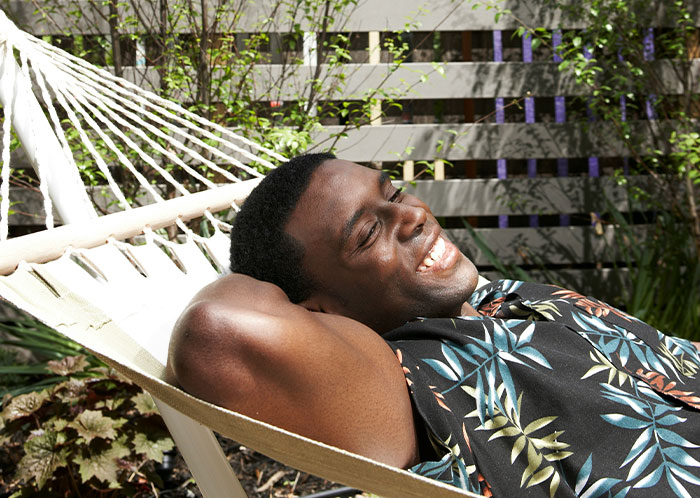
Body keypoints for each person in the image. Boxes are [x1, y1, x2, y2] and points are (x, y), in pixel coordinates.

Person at [168, 153, 700, 497]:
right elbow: (218, 330)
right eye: (368, 233)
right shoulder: (405, 383)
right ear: (317, 312)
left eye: (394, 193)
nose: (414, 215)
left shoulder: (502, 297)